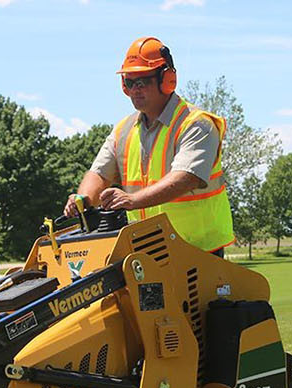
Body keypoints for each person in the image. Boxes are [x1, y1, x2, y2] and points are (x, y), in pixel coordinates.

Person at [63, 36, 234, 255]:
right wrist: (83, 200)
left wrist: (132, 200)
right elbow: (99, 173)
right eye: (129, 82)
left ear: (167, 79)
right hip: (147, 251)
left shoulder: (196, 124)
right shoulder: (123, 130)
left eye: (143, 81)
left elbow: (186, 177)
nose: (135, 89)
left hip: (198, 250)